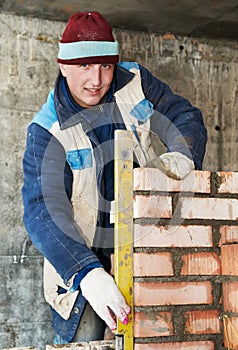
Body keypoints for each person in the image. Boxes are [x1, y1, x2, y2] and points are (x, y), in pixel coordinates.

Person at [22, 11, 207, 344]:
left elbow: (184, 116)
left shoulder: (134, 82)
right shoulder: (46, 132)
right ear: (63, 66)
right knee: (92, 341)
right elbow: (42, 213)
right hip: (83, 274)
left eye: (105, 66)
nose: (96, 80)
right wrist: (88, 274)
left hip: (144, 255)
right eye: (84, 67)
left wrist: (181, 157)